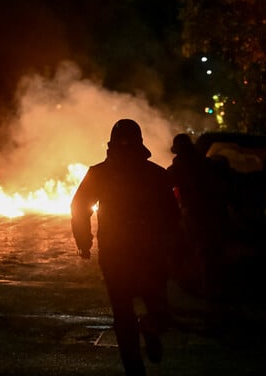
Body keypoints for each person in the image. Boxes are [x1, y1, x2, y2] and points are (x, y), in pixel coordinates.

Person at [71, 119, 181, 376]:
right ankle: (148, 333)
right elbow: (173, 215)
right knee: (154, 306)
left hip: (118, 252)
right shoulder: (156, 174)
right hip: (147, 253)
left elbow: (79, 208)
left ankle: (134, 363)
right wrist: (172, 245)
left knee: (123, 312)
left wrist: (84, 242)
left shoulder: (100, 173)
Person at [167, 133, 231, 299]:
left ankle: (207, 289)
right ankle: (214, 286)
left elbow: (166, 182)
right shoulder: (206, 163)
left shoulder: (180, 167)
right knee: (211, 251)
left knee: (201, 251)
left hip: (195, 213)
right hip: (213, 211)